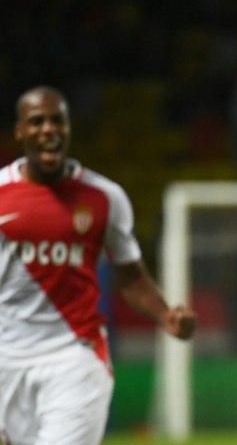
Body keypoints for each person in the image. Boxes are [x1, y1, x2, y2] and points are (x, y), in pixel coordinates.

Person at [0, 86, 197, 444]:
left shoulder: (104, 197)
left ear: (69, 128)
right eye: (37, 121)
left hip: (75, 358)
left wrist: (165, 314)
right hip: (6, 359)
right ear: (19, 131)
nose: (48, 129)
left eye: (57, 120)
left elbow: (131, 276)